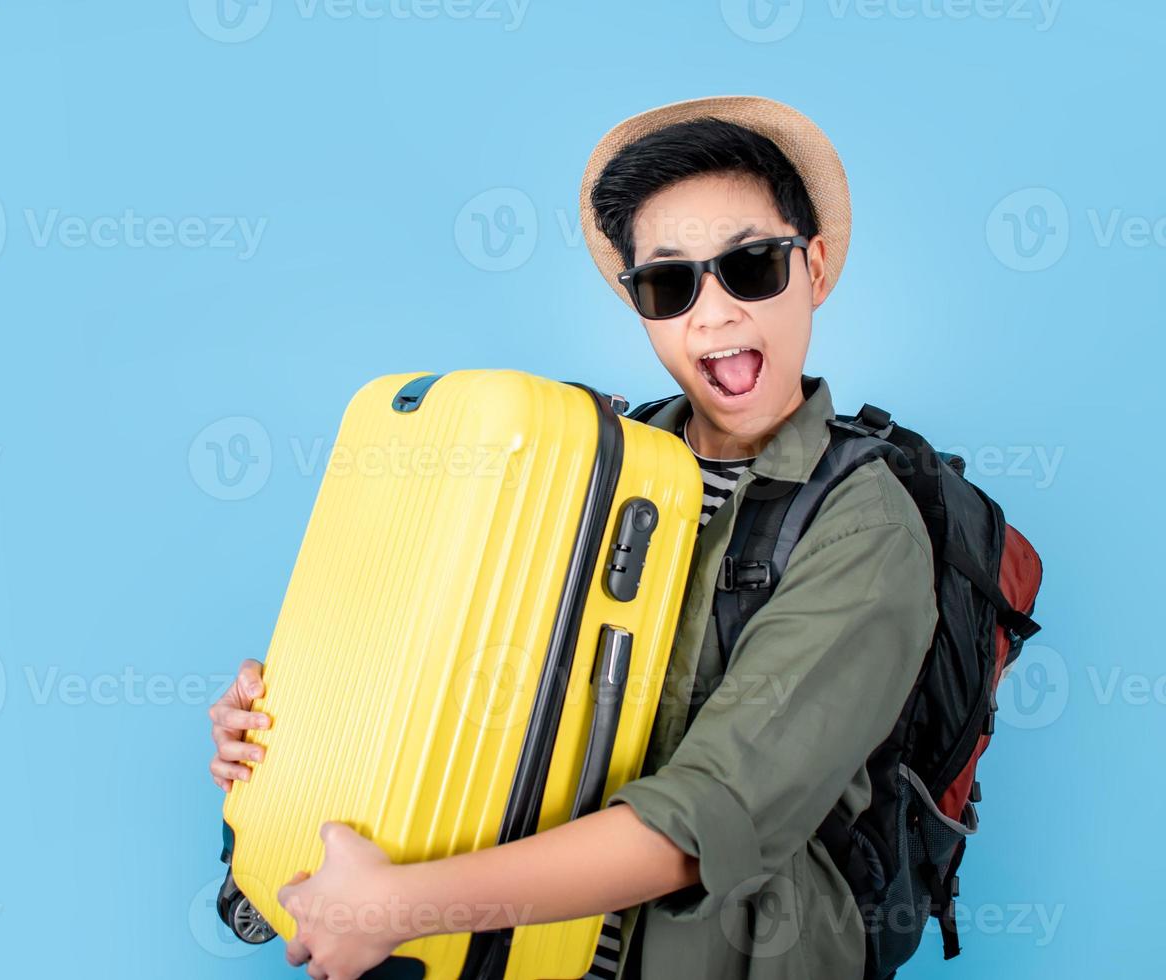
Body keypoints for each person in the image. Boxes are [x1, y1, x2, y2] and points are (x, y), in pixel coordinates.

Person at [207, 95, 938, 980]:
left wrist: (402, 905)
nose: (711, 314)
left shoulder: (862, 524)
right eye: (671, 284)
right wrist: (289, 737)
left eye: (749, 266)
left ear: (814, 268)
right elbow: (450, 685)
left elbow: (707, 821)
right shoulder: (576, 468)